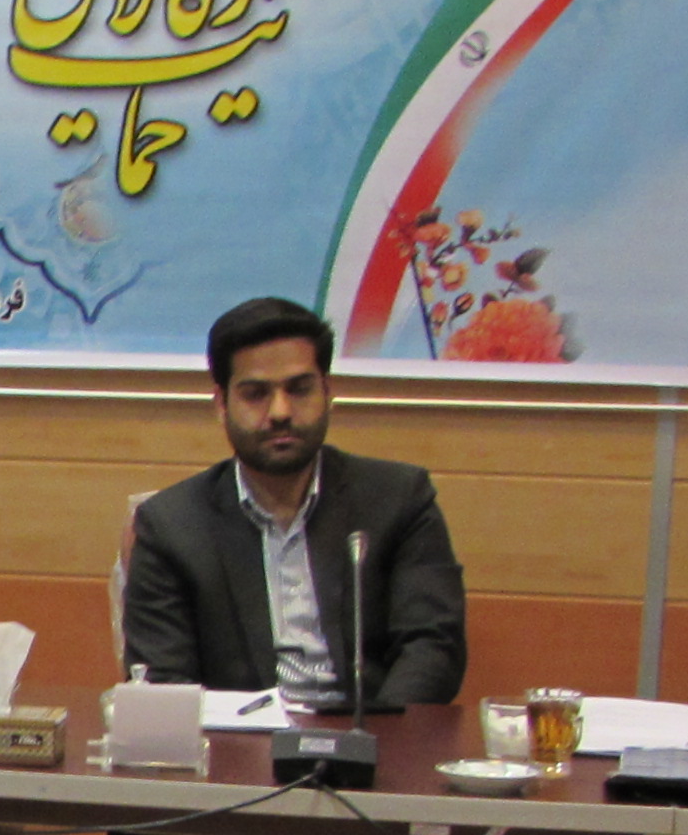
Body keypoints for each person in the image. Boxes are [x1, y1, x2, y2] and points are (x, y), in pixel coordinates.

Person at [121, 295, 466, 709]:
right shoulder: (170, 525)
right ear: (221, 404)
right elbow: (162, 680)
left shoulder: (399, 499)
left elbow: (433, 647)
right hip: (238, 742)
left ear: (327, 391)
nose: (281, 411)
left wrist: (378, 736)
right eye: (256, 394)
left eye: (299, 389)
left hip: (371, 735)